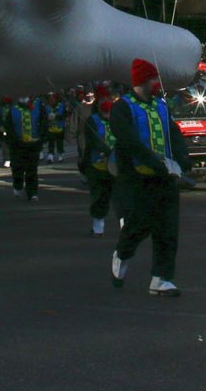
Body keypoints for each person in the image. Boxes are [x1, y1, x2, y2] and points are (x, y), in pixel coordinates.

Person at [110, 58, 191, 297]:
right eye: (154, 78)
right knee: (139, 224)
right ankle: (122, 254)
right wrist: (152, 161)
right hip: (137, 178)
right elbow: (128, 141)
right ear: (143, 81)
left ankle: (161, 277)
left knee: (168, 227)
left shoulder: (161, 106)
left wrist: (182, 159)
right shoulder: (122, 107)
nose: (157, 83)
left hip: (164, 177)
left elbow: (173, 133)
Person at [77, 83, 116, 235]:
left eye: (108, 99)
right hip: (97, 166)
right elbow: (93, 141)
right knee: (100, 196)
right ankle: (98, 224)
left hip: (117, 165)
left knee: (121, 196)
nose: (106, 103)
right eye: (102, 100)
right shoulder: (92, 120)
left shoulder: (117, 119)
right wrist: (107, 151)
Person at [5, 95, 46, 201]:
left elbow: (43, 123)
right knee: (17, 168)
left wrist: (40, 139)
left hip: (33, 144)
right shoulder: (13, 109)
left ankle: (32, 193)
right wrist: (15, 141)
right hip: (18, 145)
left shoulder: (38, 106)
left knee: (32, 170)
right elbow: (9, 127)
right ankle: (18, 186)